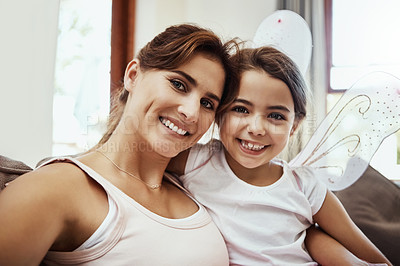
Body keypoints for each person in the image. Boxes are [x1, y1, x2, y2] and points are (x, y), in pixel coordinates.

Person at [0, 24, 241, 265]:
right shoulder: (55, 187)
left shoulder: (197, 189)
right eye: (178, 84)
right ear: (133, 75)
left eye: (208, 103)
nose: (191, 113)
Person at [167, 46, 392, 265]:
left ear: (294, 126)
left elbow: (374, 259)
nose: (256, 128)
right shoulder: (196, 161)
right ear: (218, 113)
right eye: (241, 109)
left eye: (276, 115)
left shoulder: (304, 185)